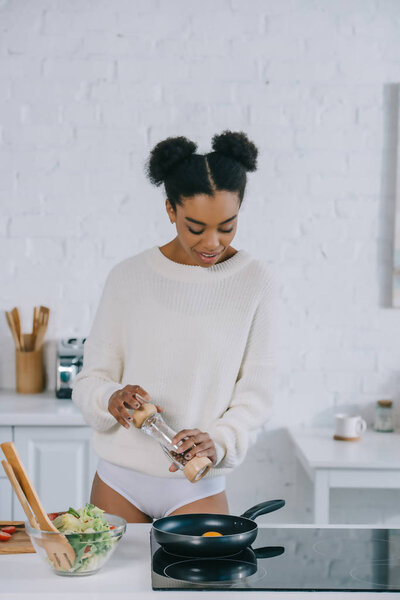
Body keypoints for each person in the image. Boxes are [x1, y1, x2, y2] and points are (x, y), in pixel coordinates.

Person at [72, 130, 276, 523]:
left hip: (197, 486)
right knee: (105, 586)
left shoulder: (255, 282)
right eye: (196, 228)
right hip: (118, 482)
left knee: (198, 587)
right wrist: (111, 398)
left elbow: (256, 397)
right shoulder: (128, 277)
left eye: (227, 226)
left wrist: (218, 441)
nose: (212, 243)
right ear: (170, 210)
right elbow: (90, 381)